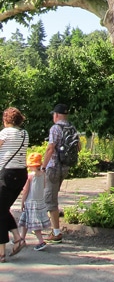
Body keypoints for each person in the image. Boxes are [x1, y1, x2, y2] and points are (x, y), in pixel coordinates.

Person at [42, 103, 80, 243]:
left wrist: (43, 166)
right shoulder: (72, 128)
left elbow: (50, 148)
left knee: (50, 199)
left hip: (53, 167)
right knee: (52, 196)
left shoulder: (55, 128)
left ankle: (56, 233)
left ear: (56, 115)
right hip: (65, 167)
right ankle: (52, 227)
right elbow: (79, 147)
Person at [0, 107, 29, 261]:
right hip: (21, 174)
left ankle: (1, 252)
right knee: (3, 209)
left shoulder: (5, 133)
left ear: (6, 119)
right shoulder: (24, 134)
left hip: (7, 174)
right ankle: (17, 238)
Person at [18, 152, 51, 250]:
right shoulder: (43, 174)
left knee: (34, 224)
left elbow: (25, 191)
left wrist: (22, 202)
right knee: (26, 220)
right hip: (40, 201)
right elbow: (44, 186)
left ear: (32, 165)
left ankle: (41, 241)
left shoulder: (30, 176)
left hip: (30, 202)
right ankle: (22, 238)